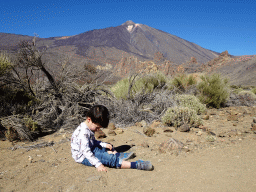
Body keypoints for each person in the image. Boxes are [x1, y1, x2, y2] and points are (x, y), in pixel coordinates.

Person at [71, 105, 153, 172]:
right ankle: (135, 164)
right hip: (83, 156)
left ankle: (117, 155)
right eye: (97, 127)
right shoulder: (83, 133)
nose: (98, 130)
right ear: (89, 119)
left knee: (106, 146)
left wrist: (103, 144)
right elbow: (86, 151)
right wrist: (98, 164)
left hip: (91, 148)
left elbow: (92, 142)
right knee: (107, 158)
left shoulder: (88, 127)